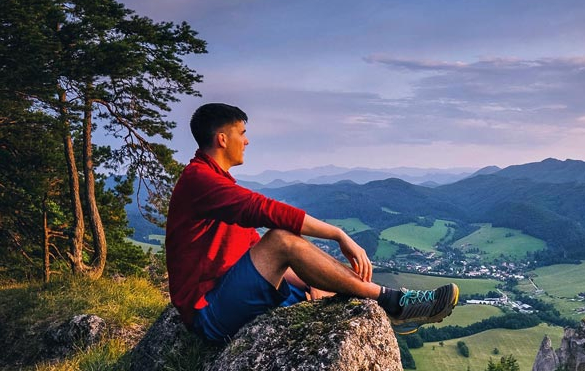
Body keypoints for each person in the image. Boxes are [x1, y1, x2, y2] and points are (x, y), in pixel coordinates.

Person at [166, 102, 459, 343]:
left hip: (229, 293)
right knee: (281, 238)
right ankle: (395, 302)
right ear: (222, 138)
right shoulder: (200, 181)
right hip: (208, 313)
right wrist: (338, 234)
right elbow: (266, 212)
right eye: (241, 132)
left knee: (334, 285)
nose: (247, 140)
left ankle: (394, 309)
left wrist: (310, 278)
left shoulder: (213, 181)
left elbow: (252, 251)